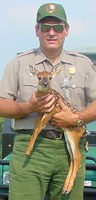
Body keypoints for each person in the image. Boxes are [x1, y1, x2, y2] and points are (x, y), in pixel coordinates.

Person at [0, 2, 96, 200]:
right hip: (31, 151)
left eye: (58, 27)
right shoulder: (19, 63)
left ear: (66, 30)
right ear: (37, 30)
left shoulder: (83, 64)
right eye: (45, 27)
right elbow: (1, 104)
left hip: (70, 151)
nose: (51, 32)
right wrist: (27, 107)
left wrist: (76, 118)